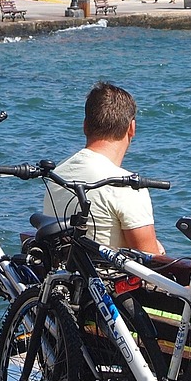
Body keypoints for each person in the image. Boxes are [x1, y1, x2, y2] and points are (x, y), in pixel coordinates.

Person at [42, 82, 164, 253]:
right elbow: (151, 262)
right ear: (132, 128)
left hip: (62, 276)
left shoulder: (57, 175)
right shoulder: (127, 186)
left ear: (85, 125)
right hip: (106, 278)